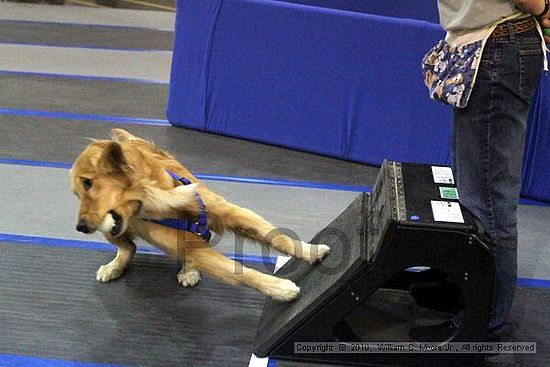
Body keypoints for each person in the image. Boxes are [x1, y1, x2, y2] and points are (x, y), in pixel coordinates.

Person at [416, 0, 549, 341]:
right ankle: (466, 287)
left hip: (498, 44)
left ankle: (483, 320)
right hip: (483, 43)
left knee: (489, 201)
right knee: (470, 187)